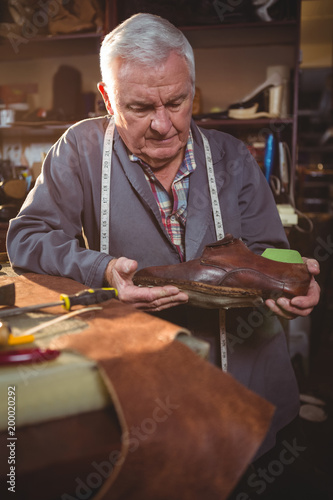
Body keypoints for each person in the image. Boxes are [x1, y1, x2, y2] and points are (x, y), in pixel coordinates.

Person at [7, 13, 320, 461]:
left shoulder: (232, 156)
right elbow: (27, 238)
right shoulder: (81, 149)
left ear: (193, 88)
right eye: (139, 108)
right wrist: (102, 270)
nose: (162, 124)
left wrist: (290, 281)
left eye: (176, 102)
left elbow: (268, 248)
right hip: (150, 384)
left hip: (249, 378)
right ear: (107, 98)